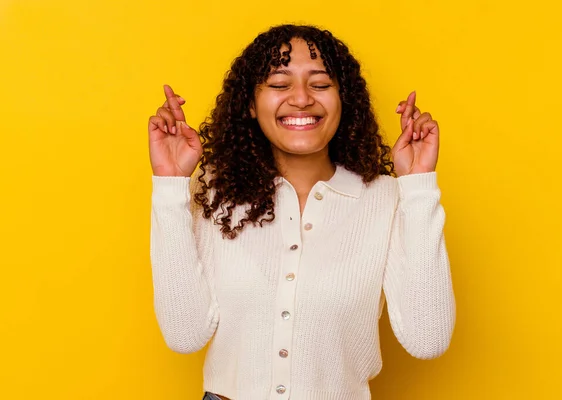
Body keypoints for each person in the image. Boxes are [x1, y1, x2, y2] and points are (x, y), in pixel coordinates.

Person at [148, 24, 455, 400]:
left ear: (344, 100)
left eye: (321, 85)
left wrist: (419, 185)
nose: (302, 98)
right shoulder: (214, 193)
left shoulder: (387, 198)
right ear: (250, 102)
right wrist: (169, 185)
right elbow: (185, 334)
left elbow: (428, 338)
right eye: (279, 85)